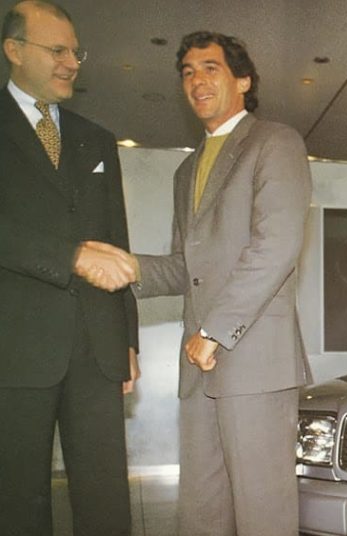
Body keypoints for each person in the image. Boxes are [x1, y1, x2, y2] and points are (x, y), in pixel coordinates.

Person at [127, 31, 312, 536]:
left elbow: (276, 246)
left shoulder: (275, 142)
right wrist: (129, 268)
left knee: (263, 516)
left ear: (243, 81)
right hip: (199, 369)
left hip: (253, 364)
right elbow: (185, 267)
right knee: (202, 515)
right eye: (188, 72)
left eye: (211, 68)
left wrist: (213, 331)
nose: (197, 80)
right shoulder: (186, 170)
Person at [0, 1, 140, 535]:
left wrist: (127, 339)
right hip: (15, 349)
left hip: (97, 349)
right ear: (14, 50)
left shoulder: (96, 138)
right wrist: (71, 256)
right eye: (57, 50)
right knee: (17, 502)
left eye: (75, 52)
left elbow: (117, 243)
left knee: (106, 503)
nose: (71, 63)